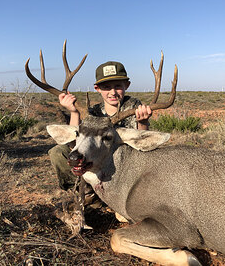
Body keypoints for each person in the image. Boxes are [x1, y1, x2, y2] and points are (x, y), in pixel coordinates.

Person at [49, 61, 152, 196]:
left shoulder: (135, 108)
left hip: (124, 170)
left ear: (127, 85)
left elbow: (142, 147)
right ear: (97, 88)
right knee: (58, 152)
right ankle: (84, 194)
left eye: (118, 86)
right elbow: (74, 142)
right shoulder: (94, 113)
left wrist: (143, 121)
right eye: (106, 87)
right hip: (96, 164)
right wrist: (74, 112)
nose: (113, 92)